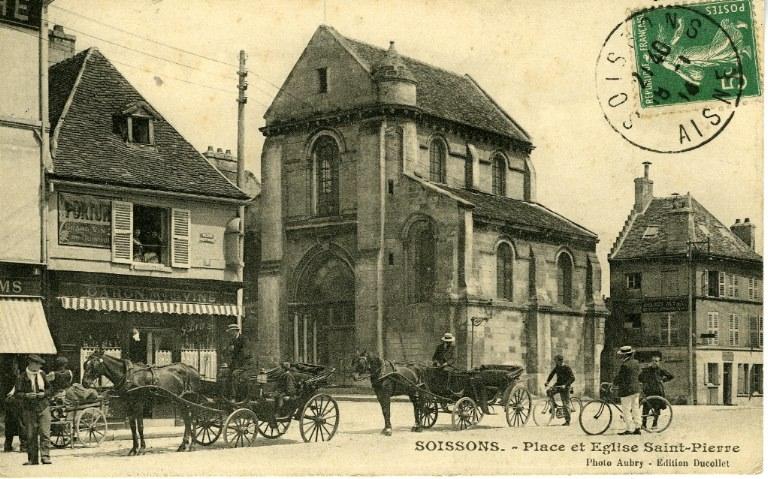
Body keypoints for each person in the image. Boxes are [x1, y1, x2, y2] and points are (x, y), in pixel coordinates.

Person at [14, 355, 52, 465]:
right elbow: (17, 393)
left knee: (45, 433)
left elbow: (49, 388)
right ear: (30, 363)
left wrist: (44, 393)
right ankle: (32, 459)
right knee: (31, 435)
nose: (39, 366)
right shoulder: (22, 377)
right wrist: (26, 395)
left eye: (40, 364)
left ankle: (45, 457)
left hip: (43, 407)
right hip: (29, 409)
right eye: (37, 364)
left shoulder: (42, 374)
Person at [613, 345, 642, 435]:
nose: (621, 357)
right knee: (635, 408)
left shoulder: (624, 365)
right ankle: (638, 428)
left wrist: (614, 383)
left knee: (626, 410)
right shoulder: (636, 362)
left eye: (621, 355)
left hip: (627, 391)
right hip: (636, 389)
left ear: (625, 356)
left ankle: (629, 429)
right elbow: (639, 373)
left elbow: (620, 378)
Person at [639, 355, 674, 430]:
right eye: (653, 361)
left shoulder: (661, 370)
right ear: (651, 362)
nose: (655, 363)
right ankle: (644, 424)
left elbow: (671, 376)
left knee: (657, 408)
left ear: (659, 362)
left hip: (658, 392)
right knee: (645, 408)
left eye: (656, 361)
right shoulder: (647, 370)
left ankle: (655, 424)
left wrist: (663, 380)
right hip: (649, 391)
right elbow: (640, 378)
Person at [3, 355, 26, 453]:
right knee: (21, 423)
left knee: (9, 424)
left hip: (9, 400)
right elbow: (16, 388)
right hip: (16, 401)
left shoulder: (5, 376)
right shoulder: (19, 377)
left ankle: (8, 445)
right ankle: (24, 445)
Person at [544, 354, 576, 426]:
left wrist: (565, 385)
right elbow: (551, 374)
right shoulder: (557, 367)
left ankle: (567, 421)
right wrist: (547, 381)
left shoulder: (567, 367)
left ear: (560, 361)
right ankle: (554, 405)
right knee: (549, 391)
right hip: (558, 384)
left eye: (556, 361)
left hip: (565, 387)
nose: (555, 362)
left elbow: (573, 378)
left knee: (565, 404)